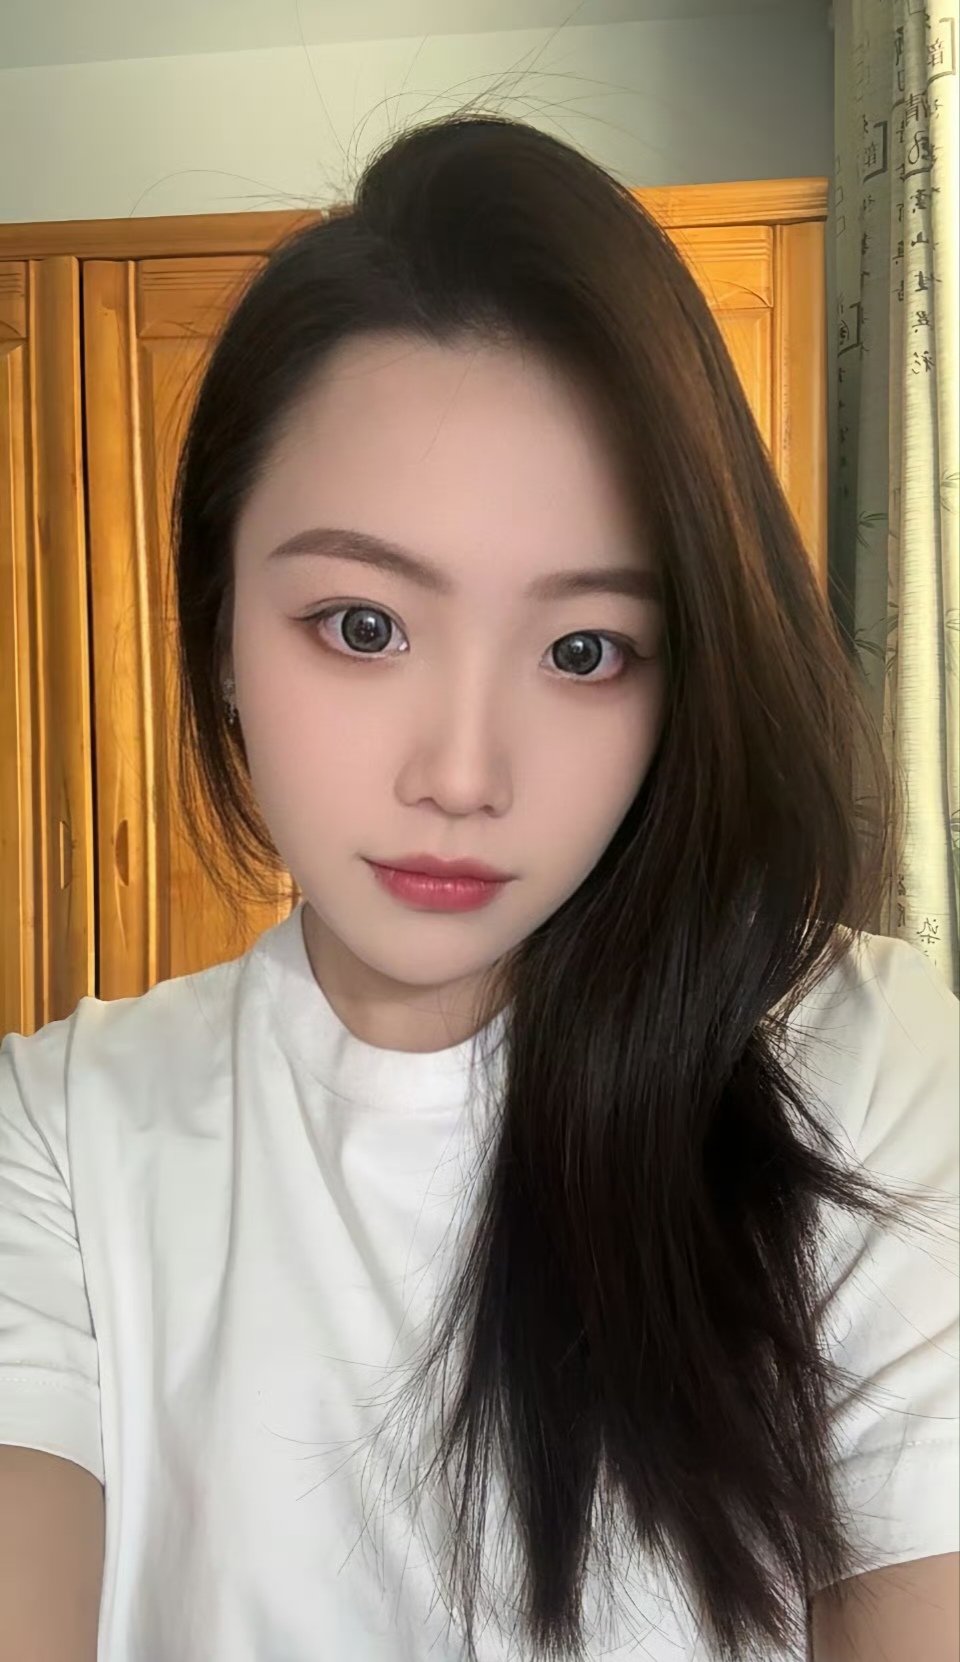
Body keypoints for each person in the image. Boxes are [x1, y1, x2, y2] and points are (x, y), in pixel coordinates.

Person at [1, 114, 957, 1662]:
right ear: (221, 627)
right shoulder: (59, 1132)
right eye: (363, 625)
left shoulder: (854, 1061)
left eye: (583, 649)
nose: (463, 772)